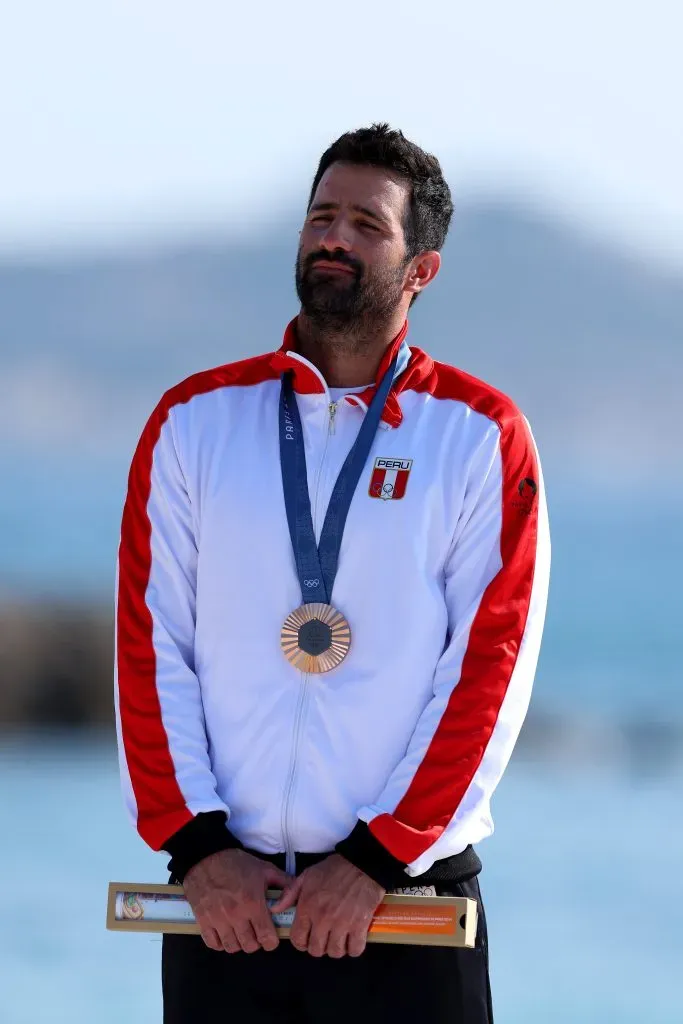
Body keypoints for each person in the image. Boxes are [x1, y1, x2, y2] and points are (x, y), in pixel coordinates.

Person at [114, 123, 550, 1024]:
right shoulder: (194, 422)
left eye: (366, 224)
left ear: (419, 269)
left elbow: (487, 667)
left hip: (403, 906)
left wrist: (377, 860)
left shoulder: (477, 434)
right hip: (225, 904)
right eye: (321, 216)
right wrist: (197, 849)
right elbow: (150, 646)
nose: (333, 239)